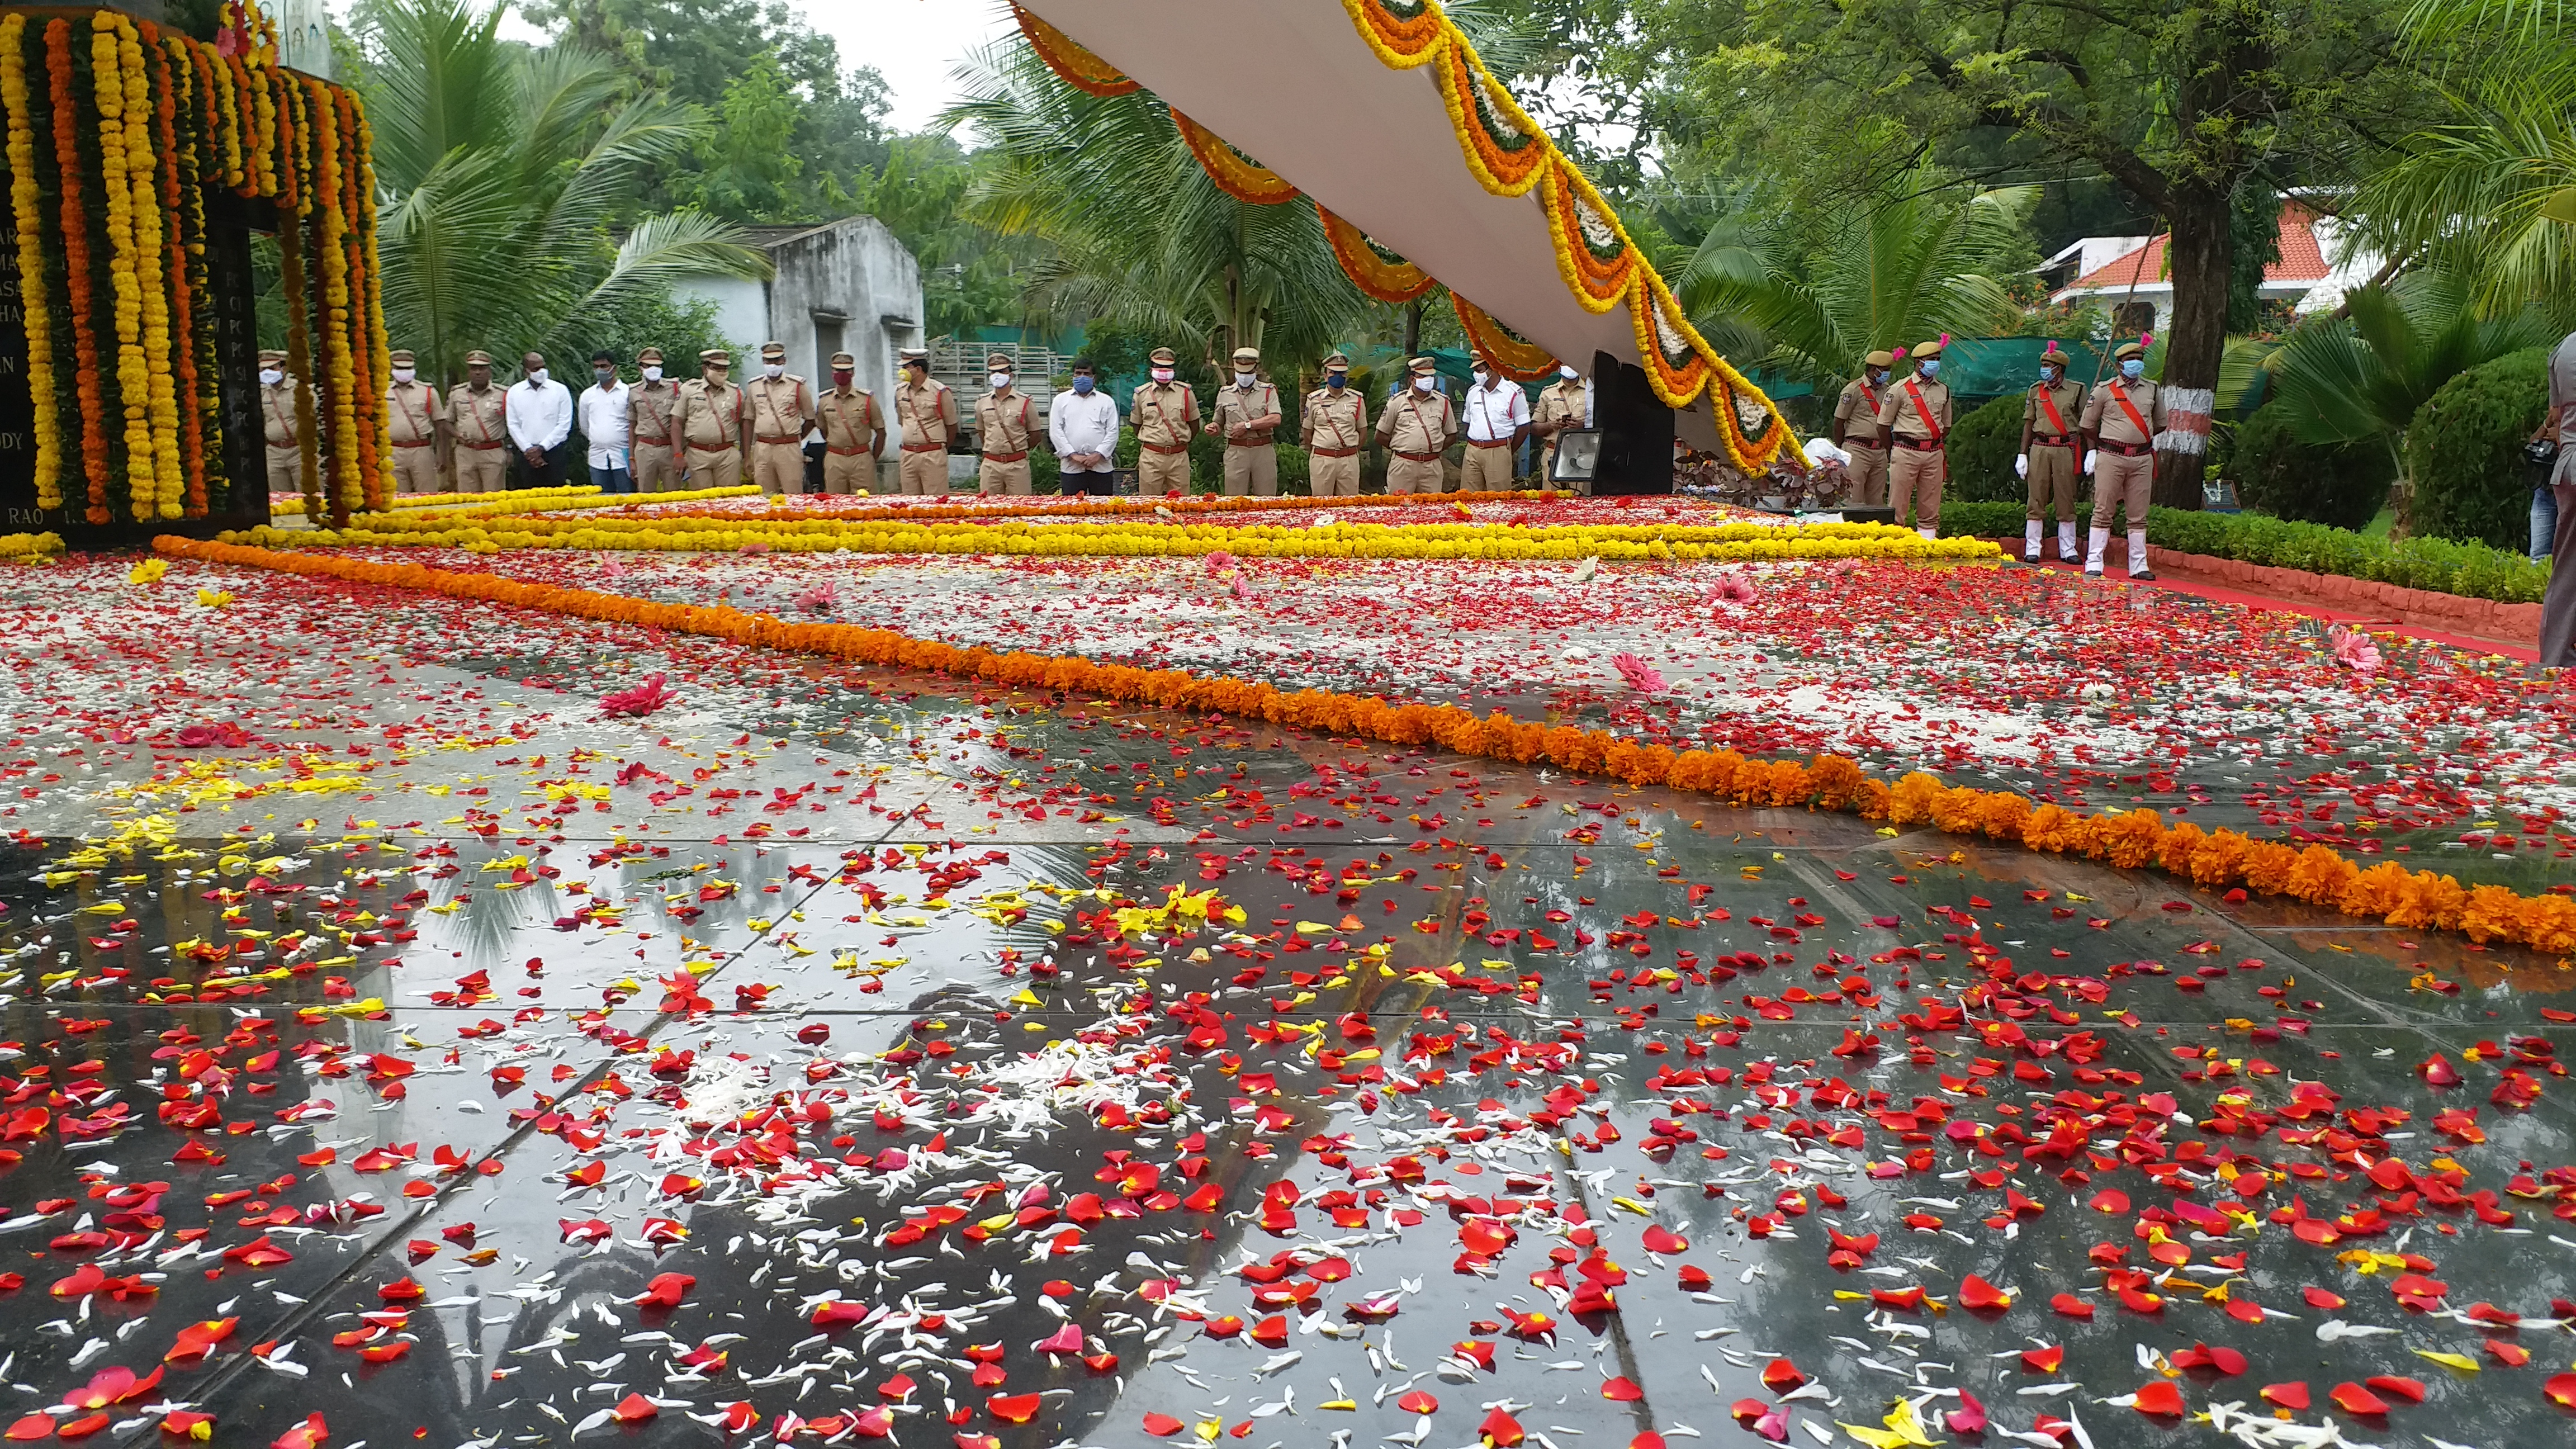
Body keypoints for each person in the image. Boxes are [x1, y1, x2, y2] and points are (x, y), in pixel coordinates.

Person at [2080, 338, 2163, 580]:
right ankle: (2094, 561)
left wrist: (2137, 440)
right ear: (2119, 365)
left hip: (2142, 458)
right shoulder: (2104, 390)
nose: (2136, 364)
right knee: (2103, 509)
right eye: (2130, 361)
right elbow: (2086, 425)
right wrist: (2107, 443)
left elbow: (2160, 423)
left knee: (2138, 514)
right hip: (2111, 457)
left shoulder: (2152, 389)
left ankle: (2139, 566)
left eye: (2139, 360)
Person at [1874, 340, 1952, 539]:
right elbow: (1883, 425)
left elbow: (1947, 424)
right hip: (1905, 450)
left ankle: (1927, 544)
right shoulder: (1899, 389)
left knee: (1930, 505)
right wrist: (1894, 450)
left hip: (1933, 453)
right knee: (1898, 504)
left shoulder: (1943, 389)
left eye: (1938, 359)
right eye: (1931, 360)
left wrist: (1934, 445)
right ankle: (1895, 547)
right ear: (1919, 363)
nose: (1936, 363)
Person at [2015, 343, 2085, 563]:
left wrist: (2087, 448)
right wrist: (2022, 454)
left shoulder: (2077, 390)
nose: (2044, 369)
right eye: (2043, 365)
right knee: (2036, 498)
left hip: (2065, 449)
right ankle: (2033, 548)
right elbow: (2029, 422)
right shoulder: (2036, 390)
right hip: (2040, 447)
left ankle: (2068, 549)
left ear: (2059, 369)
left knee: (2066, 498)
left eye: (2048, 366)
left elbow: (2087, 422)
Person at [2539, 329, 2576, 666]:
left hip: (2568, 466)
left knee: (2568, 567)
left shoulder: (2564, 346)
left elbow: (2555, 412)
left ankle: (2557, 655)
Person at [1208, 345, 1282, 497]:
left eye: (1248, 373)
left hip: (1262, 450)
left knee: (1266, 500)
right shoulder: (1225, 393)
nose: (1244, 376)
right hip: (1236, 451)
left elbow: (1276, 418)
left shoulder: (1268, 391)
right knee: (1234, 500)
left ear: (1255, 369)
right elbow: (1218, 422)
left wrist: (1248, 426)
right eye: (1240, 373)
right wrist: (1213, 428)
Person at [744, 341, 814, 497]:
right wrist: (747, 454)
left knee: (793, 495)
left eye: (777, 361)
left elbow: (811, 419)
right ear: (763, 362)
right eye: (769, 361)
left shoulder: (797, 385)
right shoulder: (754, 386)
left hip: (788, 446)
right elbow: (748, 420)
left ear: (784, 361)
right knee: (764, 496)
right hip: (763, 446)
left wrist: (797, 438)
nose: (773, 365)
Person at [1377, 356, 1455, 495]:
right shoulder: (1397, 402)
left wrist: (1434, 448)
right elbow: (1381, 435)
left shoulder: (1443, 402)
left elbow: (1452, 435)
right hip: (1403, 464)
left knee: (1432, 509)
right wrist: (1402, 447)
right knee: (1398, 508)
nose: (1428, 380)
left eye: (1431, 376)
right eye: (1423, 376)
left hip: (1432, 466)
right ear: (1413, 379)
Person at [673, 348, 747, 490]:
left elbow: (744, 424)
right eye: (717, 368)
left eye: (724, 368)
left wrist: (745, 454)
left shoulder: (736, 392)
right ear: (705, 369)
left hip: (727, 454)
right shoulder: (689, 390)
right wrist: (678, 454)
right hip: (697, 454)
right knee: (701, 502)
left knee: (729, 502)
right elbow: (677, 423)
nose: (721, 372)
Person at [815, 351, 884, 495]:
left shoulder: (867, 399)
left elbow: (881, 432)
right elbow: (823, 429)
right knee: (835, 503)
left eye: (846, 370)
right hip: (835, 458)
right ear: (832, 372)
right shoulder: (824, 400)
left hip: (861, 458)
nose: (842, 374)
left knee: (865, 504)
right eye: (838, 370)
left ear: (853, 372)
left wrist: (872, 459)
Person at [1132, 346, 1199, 494]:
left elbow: (1194, 425)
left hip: (1179, 457)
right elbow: (1137, 425)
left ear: (1174, 368)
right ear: (1152, 368)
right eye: (1159, 366)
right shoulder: (1141, 394)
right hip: (1151, 456)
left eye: (1168, 367)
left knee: (1182, 504)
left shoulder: (1186, 393)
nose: (1164, 370)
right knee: (1149, 505)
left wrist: (1181, 442)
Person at [1050, 356, 1120, 497]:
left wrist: (1098, 454)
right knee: (1072, 511)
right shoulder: (1061, 400)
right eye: (1078, 373)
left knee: (1103, 511)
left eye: (1086, 374)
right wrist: (1073, 455)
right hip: (1072, 466)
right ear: (1073, 376)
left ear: (1094, 378)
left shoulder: (1106, 401)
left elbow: (1113, 432)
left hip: (1101, 466)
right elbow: (1056, 431)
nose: (1082, 377)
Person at [1833, 351, 1895, 508]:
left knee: (1876, 501)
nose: (1887, 373)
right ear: (1875, 370)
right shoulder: (1853, 389)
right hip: (1857, 449)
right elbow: (1839, 421)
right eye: (1885, 370)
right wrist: (1841, 449)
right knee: (1853, 497)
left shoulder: (1888, 391)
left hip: (1880, 451)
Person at [1460, 354, 1530, 491]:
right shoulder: (1473, 392)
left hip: (1498, 449)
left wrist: (1508, 450)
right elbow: (1467, 421)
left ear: (1492, 369)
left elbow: (1524, 427)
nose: (1476, 375)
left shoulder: (1513, 392)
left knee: (1498, 499)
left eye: (1479, 371)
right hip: (1473, 449)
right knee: (1468, 496)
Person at [1303, 352, 1368, 497]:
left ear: (1346, 375)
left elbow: (1363, 431)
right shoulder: (1314, 399)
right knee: (1321, 506)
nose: (1337, 376)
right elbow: (1307, 432)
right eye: (1333, 372)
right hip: (1323, 459)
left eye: (1342, 373)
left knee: (1349, 506)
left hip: (1349, 461)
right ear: (1325, 375)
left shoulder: (1357, 399)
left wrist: (1351, 451)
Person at [893, 348, 957, 496]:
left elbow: (952, 426)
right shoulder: (900, 391)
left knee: (935, 502)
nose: (902, 371)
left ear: (918, 369)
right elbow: (902, 420)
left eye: (906, 367)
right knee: (910, 504)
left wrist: (940, 448)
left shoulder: (940, 391)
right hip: (908, 454)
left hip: (932, 454)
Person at [506, 350, 572, 491]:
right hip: (526, 455)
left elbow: (564, 424)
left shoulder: (560, 390)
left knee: (557, 498)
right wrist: (529, 450)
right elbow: (513, 425)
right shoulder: (515, 392)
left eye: (543, 367)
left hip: (554, 452)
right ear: (526, 372)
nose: (541, 371)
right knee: (529, 498)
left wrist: (542, 448)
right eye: (536, 369)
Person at [448, 350, 510, 494]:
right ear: (468, 372)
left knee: (494, 497)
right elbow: (447, 421)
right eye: (473, 368)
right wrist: (457, 435)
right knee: (467, 497)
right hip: (466, 452)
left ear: (489, 371)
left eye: (482, 368)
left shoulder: (503, 393)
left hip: (492, 451)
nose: (478, 372)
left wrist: (510, 448)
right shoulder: (457, 393)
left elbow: (512, 423)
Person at [384, 348, 444, 495]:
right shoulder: (382, 391)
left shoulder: (428, 391)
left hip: (421, 450)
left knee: (428, 495)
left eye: (407, 368)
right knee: (397, 498)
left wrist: (442, 454)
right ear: (392, 369)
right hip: (392, 450)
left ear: (413, 368)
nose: (403, 371)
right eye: (399, 368)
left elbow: (439, 423)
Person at [974, 353, 1037, 496]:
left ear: (1011, 375)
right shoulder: (982, 402)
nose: (997, 375)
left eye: (1002, 372)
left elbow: (1035, 435)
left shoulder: (1025, 402)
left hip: (1017, 464)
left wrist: (1018, 449)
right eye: (994, 372)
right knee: (988, 510)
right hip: (991, 464)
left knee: (1021, 508)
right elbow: (981, 431)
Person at [574, 351, 632, 494]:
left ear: (614, 368)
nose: (600, 370)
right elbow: (585, 426)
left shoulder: (628, 392)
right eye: (596, 367)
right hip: (598, 457)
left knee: (628, 499)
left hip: (623, 457)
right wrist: (601, 439)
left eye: (604, 366)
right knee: (602, 501)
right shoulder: (588, 395)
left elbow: (633, 424)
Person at [626, 347, 680, 495]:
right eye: (648, 366)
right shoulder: (634, 391)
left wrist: (680, 453)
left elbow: (681, 422)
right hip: (645, 448)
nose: (653, 369)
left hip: (669, 448)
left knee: (674, 495)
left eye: (657, 366)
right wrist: (631, 458)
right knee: (645, 495)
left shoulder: (675, 388)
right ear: (640, 368)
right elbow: (631, 425)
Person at [258, 349, 310, 496]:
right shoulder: (260, 392)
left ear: (284, 368)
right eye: (264, 369)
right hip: (274, 452)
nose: (267, 372)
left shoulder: (300, 389)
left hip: (299, 449)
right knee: (279, 497)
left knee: (306, 495)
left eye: (272, 368)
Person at [1532, 363, 1591, 486]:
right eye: (1565, 363)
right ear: (1559, 367)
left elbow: (1603, 424)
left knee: (1581, 499)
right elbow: (1534, 428)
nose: (1570, 367)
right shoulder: (1548, 393)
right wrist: (1551, 425)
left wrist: (1584, 425)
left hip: (1582, 453)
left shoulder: (1591, 392)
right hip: (1553, 452)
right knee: (1551, 500)